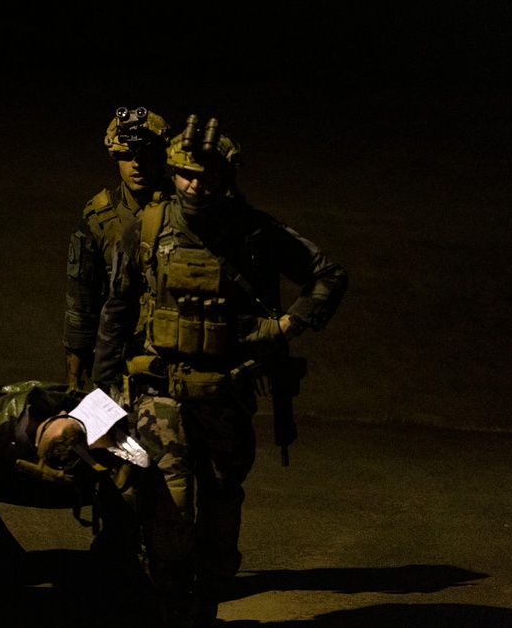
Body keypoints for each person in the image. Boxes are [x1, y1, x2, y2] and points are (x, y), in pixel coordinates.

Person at [92, 113, 348, 627]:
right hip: (158, 391)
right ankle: (166, 607)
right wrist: (98, 403)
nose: (194, 184)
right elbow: (116, 312)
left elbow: (327, 275)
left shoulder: (254, 232)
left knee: (220, 510)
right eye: (185, 173)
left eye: (206, 175)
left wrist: (287, 327)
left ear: (227, 177)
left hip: (225, 395)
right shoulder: (146, 227)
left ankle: (201, 606)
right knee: (169, 503)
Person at [0, 381, 140, 599]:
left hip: (8, 486)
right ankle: (117, 564)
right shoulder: (92, 449)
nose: (65, 410)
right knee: (127, 485)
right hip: (76, 490)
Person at [64, 106, 175, 391]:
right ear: (115, 158)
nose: (136, 164)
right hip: (121, 360)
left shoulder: (185, 212)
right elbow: (81, 307)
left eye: (146, 155)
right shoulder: (99, 220)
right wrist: (74, 383)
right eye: (127, 156)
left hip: (179, 355)